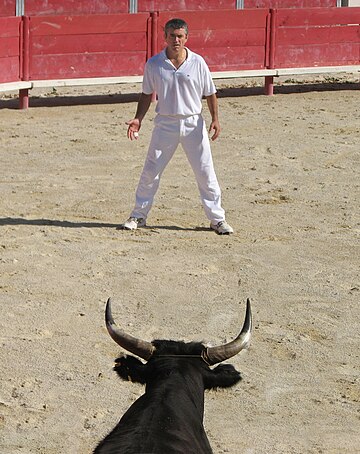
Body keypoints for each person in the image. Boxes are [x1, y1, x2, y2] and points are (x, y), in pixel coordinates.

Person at [122, 18, 233, 235]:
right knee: (150, 171)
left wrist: (215, 119)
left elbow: (210, 93)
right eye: (172, 35)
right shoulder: (154, 64)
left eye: (180, 36)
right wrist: (138, 119)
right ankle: (138, 215)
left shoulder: (198, 62)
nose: (176, 40)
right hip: (165, 123)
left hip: (193, 123)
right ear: (165, 37)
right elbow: (146, 94)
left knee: (205, 172)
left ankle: (217, 219)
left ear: (186, 38)